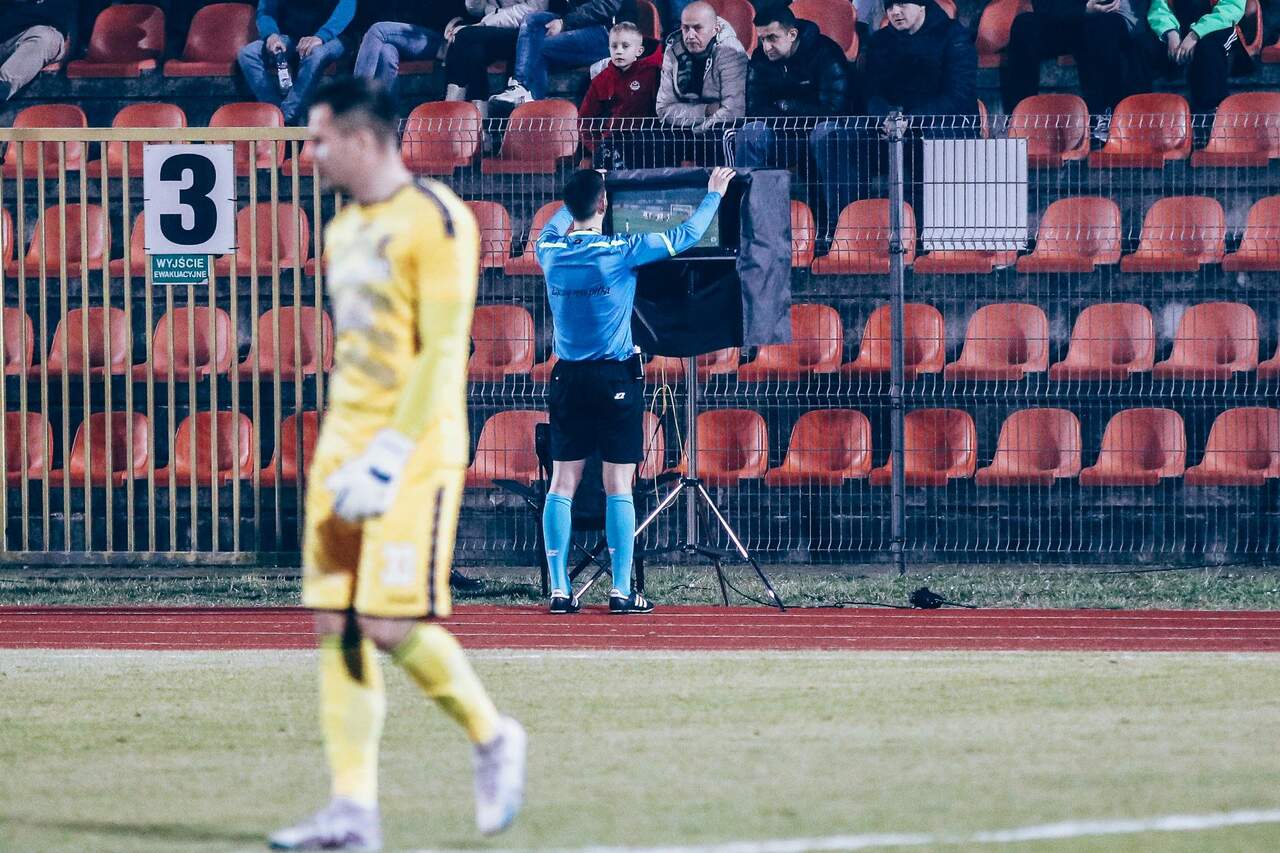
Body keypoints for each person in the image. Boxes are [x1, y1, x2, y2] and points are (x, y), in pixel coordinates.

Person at [268, 77, 526, 851]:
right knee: (335, 621)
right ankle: (352, 810)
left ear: (361, 139)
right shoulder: (344, 228)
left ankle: (493, 736)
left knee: (386, 619)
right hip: (343, 447)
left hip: (412, 450)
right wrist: (349, 449)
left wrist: (388, 453)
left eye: (319, 139)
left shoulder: (436, 217)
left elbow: (444, 349)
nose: (310, 153)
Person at [536, 166, 736, 615]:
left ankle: (559, 590)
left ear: (569, 208)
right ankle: (621, 590)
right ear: (604, 205)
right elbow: (686, 235)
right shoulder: (621, 250)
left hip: (567, 378)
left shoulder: (548, 251)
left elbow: (552, 224)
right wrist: (714, 194)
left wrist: (578, 195)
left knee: (562, 483)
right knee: (617, 484)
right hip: (615, 379)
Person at [734, 4, 850, 172]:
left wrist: (787, 106)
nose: (766, 47)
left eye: (772, 38)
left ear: (792, 35)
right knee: (751, 132)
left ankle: (842, 192)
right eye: (762, 39)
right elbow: (756, 109)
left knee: (826, 133)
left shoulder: (826, 53)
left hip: (820, 129)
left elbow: (834, 110)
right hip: (781, 132)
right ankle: (747, 188)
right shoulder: (760, 58)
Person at [1000, 0, 1147, 127]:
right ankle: (1018, 120)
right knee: (1024, 25)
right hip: (1067, 17)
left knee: (1101, 27)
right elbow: (1042, 5)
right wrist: (1084, 9)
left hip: (1108, 19)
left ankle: (1103, 118)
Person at [491, 0, 638, 105]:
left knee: (540, 47)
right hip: (580, 24)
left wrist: (564, 23)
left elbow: (607, 6)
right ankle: (522, 88)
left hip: (610, 33)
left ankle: (530, 99)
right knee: (533, 20)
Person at [655, 1, 747, 164]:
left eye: (697, 28)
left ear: (715, 29)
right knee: (655, 138)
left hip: (718, 127)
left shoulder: (731, 51)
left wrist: (698, 130)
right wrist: (705, 111)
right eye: (685, 28)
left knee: (716, 137)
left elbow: (733, 110)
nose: (690, 35)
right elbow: (663, 109)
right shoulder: (673, 49)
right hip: (688, 124)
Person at [238, 0, 356, 125]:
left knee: (315, 54)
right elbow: (266, 11)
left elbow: (346, 9)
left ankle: (287, 117)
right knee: (248, 54)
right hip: (292, 37)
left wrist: (321, 36)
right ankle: (275, 113)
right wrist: (271, 35)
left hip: (335, 35)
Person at [578, 21, 664, 168]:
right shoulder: (601, 79)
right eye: (614, 46)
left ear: (639, 51)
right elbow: (585, 118)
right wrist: (595, 148)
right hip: (613, 141)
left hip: (647, 140)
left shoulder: (653, 73)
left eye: (625, 46)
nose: (619, 51)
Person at [443, 0, 551, 110]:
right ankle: (477, 113)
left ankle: (453, 107)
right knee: (471, 48)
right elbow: (476, 9)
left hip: (528, 32)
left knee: (464, 36)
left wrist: (484, 23)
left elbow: (535, 10)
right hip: (495, 27)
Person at [1146, 0, 1245, 113]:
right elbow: (1159, 8)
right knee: (1141, 43)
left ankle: (1212, 108)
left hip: (1220, 25)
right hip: (1180, 29)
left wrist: (1195, 34)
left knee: (1207, 47)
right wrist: (1171, 33)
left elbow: (1230, 9)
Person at [353, 0, 468, 92]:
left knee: (377, 30)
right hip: (400, 37)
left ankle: (356, 100)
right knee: (386, 52)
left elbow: (463, 10)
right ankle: (386, 112)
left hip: (439, 37)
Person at [0, 0, 75, 101]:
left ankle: (3, 85)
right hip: (4, 37)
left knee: (45, 37)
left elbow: (76, 23)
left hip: (39, 36)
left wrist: (64, 61)